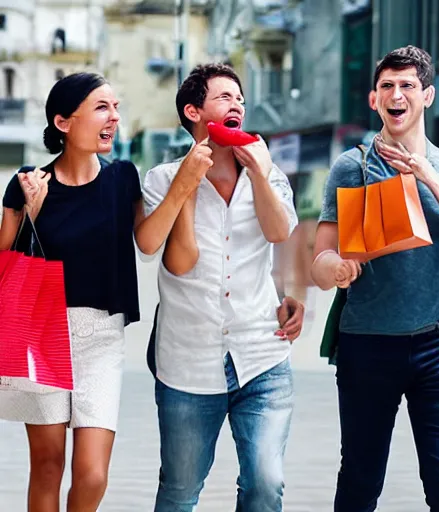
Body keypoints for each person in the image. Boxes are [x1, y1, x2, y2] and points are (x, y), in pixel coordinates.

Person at [312, 46, 439, 511]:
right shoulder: (351, 168)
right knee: (359, 482)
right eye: (387, 86)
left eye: (408, 86)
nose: (397, 94)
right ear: (374, 99)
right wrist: (335, 268)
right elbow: (318, 260)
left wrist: (429, 177)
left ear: (428, 96)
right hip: (368, 344)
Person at [135, 63, 303, 512]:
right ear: (193, 111)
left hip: (261, 356)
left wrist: (261, 174)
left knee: (266, 483)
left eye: (240, 100)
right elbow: (165, 254)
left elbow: (279, 232)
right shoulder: (160, 179)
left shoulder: (268, 172)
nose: (238, 106)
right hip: (188, 364)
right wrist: (186, 184)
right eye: (224, 98)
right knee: (180, 490)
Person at [0, 73, 144, 512]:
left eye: (116, 107)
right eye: (102, 107)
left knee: (93, 475)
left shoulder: (122, 178)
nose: (114, 117)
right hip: (41, 335)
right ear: (64, 122)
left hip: (101, 338)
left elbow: (148, 242)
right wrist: (32, 213)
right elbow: (5, 261)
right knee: (47, 466)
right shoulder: (28, 183)